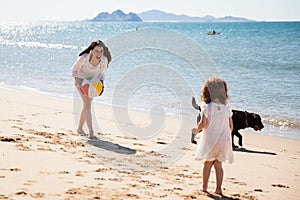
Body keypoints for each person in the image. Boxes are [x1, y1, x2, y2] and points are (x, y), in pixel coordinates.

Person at [191, 77, 234, 195]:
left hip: (211, 140)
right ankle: (219, 188)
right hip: (224, 140)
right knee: (219, 165)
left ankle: (204, 187)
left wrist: (196, 130)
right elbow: (230, 127)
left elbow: (203, 124)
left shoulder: (207, 107)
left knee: (208, 163)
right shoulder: (227, 108)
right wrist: (225, 135)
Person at [71, 40, 112, 138]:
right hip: (81, 80)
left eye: (101, 51)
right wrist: (78, 83)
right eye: (96, 51)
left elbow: (101, 74)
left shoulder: (104, 60)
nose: (99, 54)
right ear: (92, 51)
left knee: (87, 104)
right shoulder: (84, 58)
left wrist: (101, 86)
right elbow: (74, 70)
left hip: (93, 82)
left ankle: (80, 129)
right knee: (87, 103)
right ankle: (91, 131)